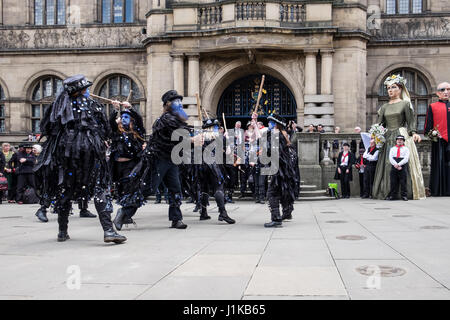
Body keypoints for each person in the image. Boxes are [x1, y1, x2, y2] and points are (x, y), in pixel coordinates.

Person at [34, 75, 126, 243]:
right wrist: (114, 115)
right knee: (100, 188)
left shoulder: (58, 107)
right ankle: (108, 231)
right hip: (91, 153)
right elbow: (106, 131)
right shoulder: (92, 105)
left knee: (66, 190)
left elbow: (47, 128)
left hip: (67, 156)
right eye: (86, 89)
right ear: (82, 90)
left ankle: (62, 232)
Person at [146, 89, 199, 229]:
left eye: (180, 101)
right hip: (159, 159)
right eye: (176, 101)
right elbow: (179, 136)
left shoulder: (175, 119)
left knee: (175, 189)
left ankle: (176, 219)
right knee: (148, 189)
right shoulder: (167, 119)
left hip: (171, 160)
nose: (180, 104)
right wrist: (193, 140)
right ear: (168, 104)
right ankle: (124, 213)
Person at [372, 74, 425, 200]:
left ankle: (404, 193)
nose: (390, 90)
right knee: (387, 164)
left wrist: (413, 133)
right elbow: (380, 124)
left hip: (400, 135)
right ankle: (388, 192)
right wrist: (376, 134)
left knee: (402, 164)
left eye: (393, 87)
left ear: (400, 89)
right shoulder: (384, 107)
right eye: (388, 88)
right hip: (387, 137)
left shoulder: (405, 104)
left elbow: (411, 121)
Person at [109, 100, 147, 231]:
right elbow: (111, 124)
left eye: (127, 117)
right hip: (117, 166)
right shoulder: (116, 133)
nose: (123, 119)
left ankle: (124, 213)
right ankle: (126, 213)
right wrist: (115, 110)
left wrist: (131, 108)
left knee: (130, 188)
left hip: (131, 165)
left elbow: (140, 122)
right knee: (121, 189)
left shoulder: (135, 133)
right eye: (122, 117)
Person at [197, 118, 236, 224]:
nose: (217, 128)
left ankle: (203, 213)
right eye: (216, 127)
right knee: (219, 187)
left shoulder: (200, 138)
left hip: (201, 166)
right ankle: (223, 212)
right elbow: (227, 153)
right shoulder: (219, 138)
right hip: (214, 166)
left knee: (204, 188)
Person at [263, 114, 298, 227]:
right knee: (283, 191)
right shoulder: (282, 135)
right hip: (283, 169)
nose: (269, 124)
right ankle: (287, 212)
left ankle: (276, 218)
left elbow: (269, 151)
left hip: (278, 169)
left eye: (271, 122)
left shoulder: (276, 136)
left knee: (272, 193)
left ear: (275, 124)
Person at [424, 82, 450, 196]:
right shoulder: (433, 106)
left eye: (448, 89)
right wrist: (431, 134)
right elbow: (428, 125)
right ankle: (438, 190)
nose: (446, 92)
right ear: (438, 93)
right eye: (443, 89)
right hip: (438, 139)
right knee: (438, 165)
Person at [386, 135, 410, 201]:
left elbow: (406, 158)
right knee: (393, 181)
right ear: (396, 141)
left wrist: (399, 164)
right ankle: (393, 195)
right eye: (398, 139)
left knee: (403, 182)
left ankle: (404, 196)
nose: (399, 141)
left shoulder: (406, 149)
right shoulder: (392, 149)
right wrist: (395, 165)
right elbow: (390, 158)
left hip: (402, 164)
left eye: (401, 140)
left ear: (403, 141)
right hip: (394, 164)